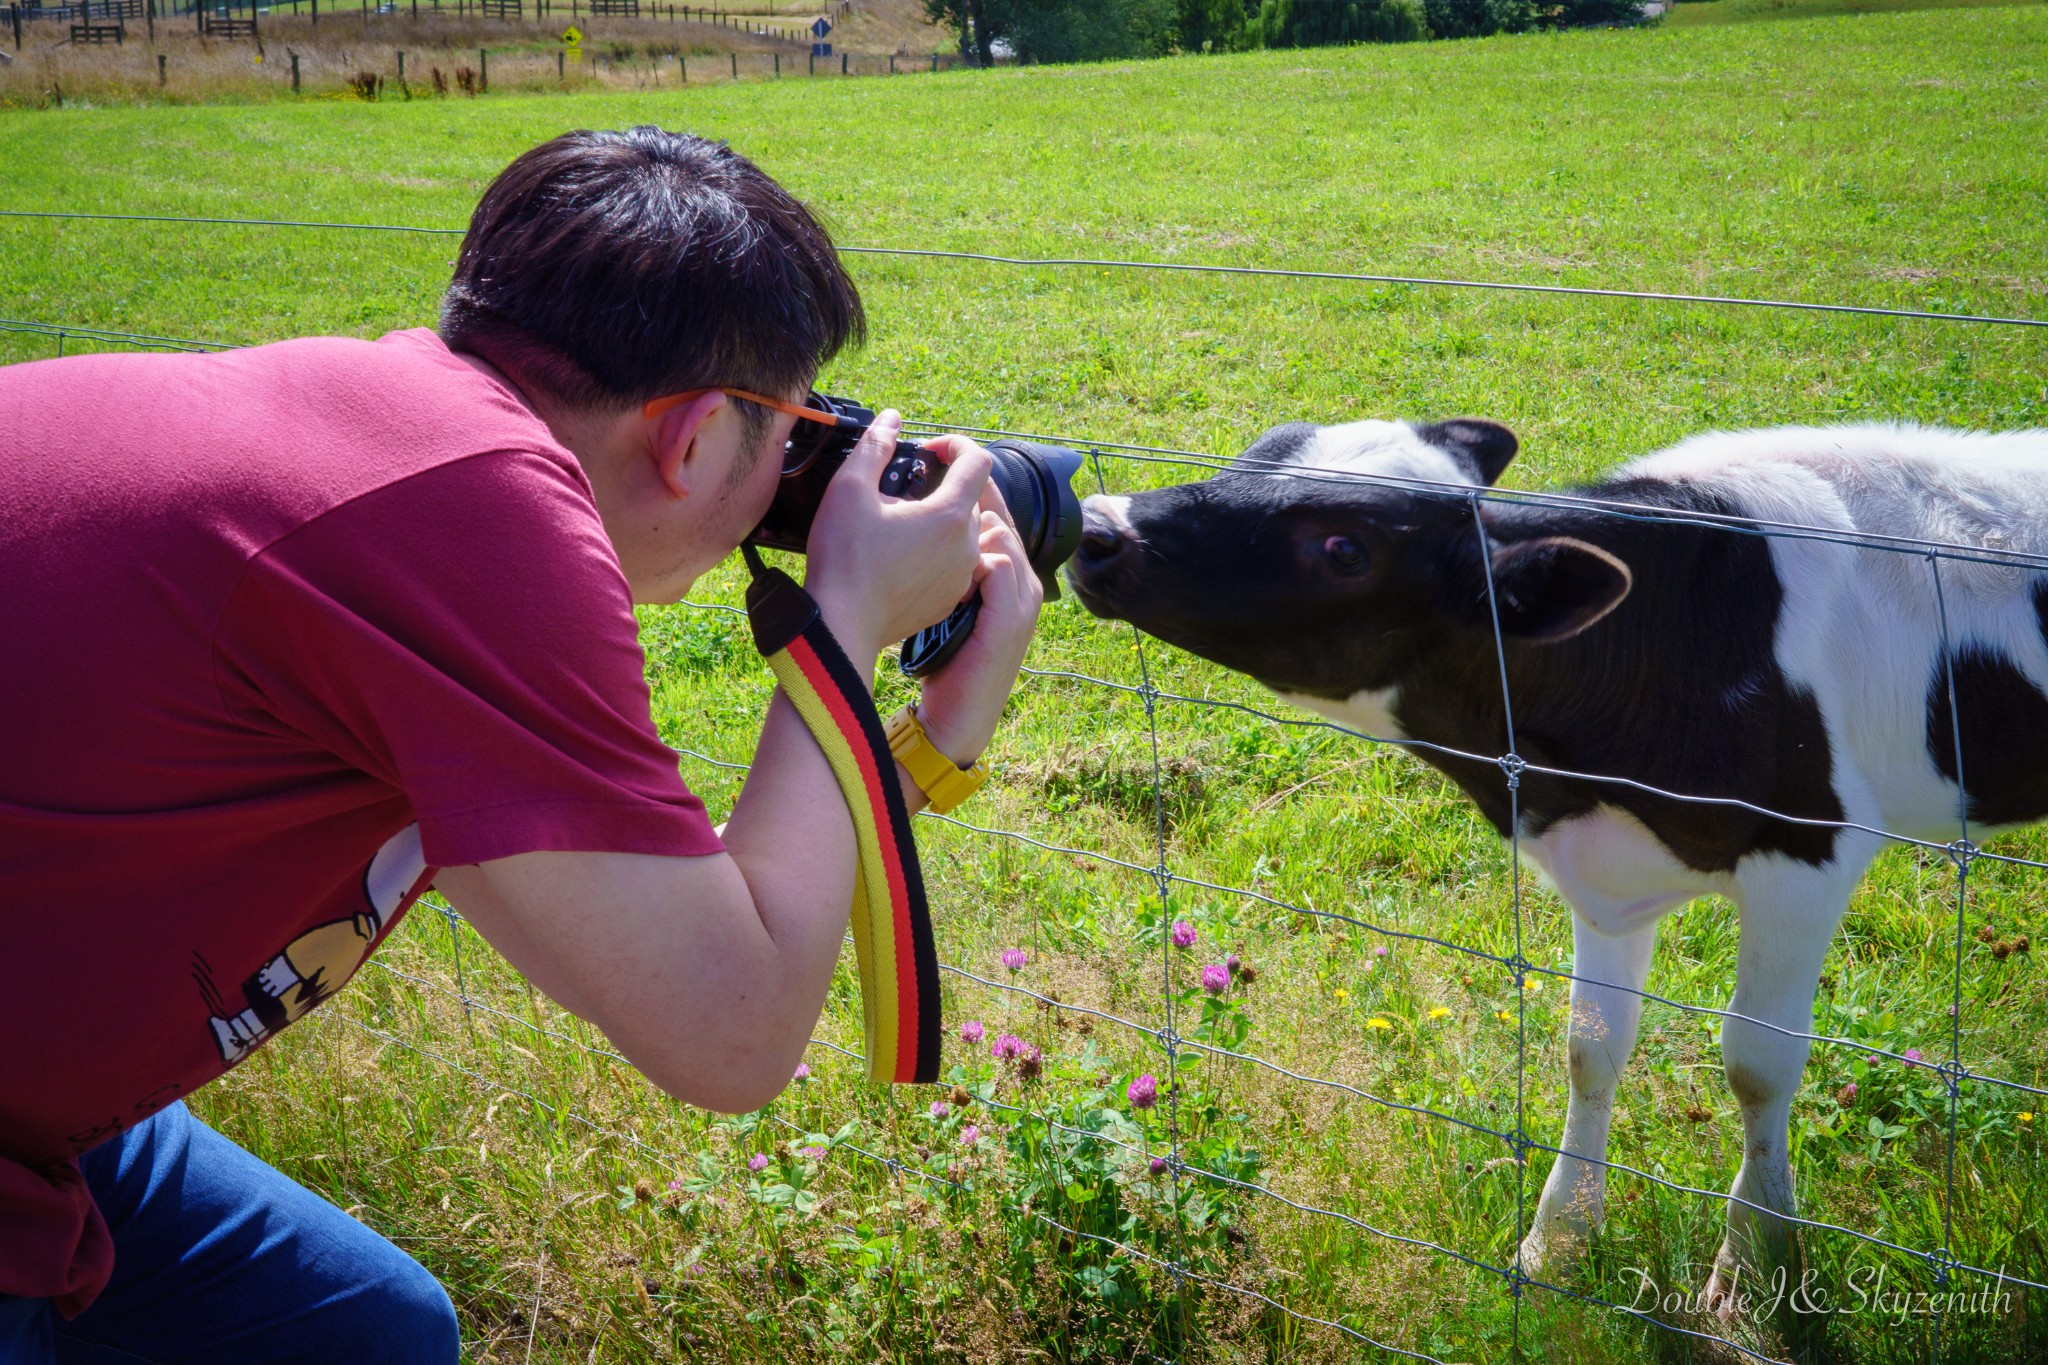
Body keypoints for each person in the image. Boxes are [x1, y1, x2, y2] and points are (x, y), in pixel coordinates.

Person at [0, 126, 1042, 1363]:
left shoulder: (400, 442)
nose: (790, 470)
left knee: (360, 1333)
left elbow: (661, 932)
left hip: (40, 1119)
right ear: (696, 433)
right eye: (791, 428)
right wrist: (849, 620)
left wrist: (925, 742)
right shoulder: (475, 516)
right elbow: (728, 1030)